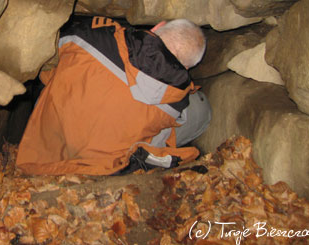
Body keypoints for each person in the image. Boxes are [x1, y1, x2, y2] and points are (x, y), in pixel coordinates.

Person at [16, 15, 211, 175]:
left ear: (157, 27)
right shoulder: (177, 101)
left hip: (47, 144)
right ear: (186, 67)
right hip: (101, 164)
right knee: (200, 109)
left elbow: (45, 70)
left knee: (54, 79)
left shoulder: (87, 34)